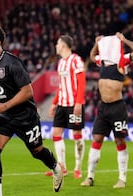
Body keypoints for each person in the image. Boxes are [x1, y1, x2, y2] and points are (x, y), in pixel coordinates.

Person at [0, 24, 64, 196]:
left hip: (25, 116)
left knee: (37, 151)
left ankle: (56, 168)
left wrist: (5, 105)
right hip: (4, 116)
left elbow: (27, 91)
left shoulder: (12, 63)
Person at [80, 32, 133, 188]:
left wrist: (125, 40)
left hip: (117, 107)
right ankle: (90, 177)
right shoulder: (102, 61)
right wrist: (97, 43)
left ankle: (122, 178)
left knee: (119, 140)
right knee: (96, 139)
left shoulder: (122, 61)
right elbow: (91, 54)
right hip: (103, 107)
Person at [44, 35, 86, 179]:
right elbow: (61, 86)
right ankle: (62, 166)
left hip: (74, 104)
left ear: (63, 45)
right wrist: (54, 103)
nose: (56, 46)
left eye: (57, 43)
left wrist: (79, 102)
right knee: (56, 134)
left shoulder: (76, 60)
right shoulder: (61, 63)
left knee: (77, 136)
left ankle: (78, 168)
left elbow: (82, 81)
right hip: (62, 104)